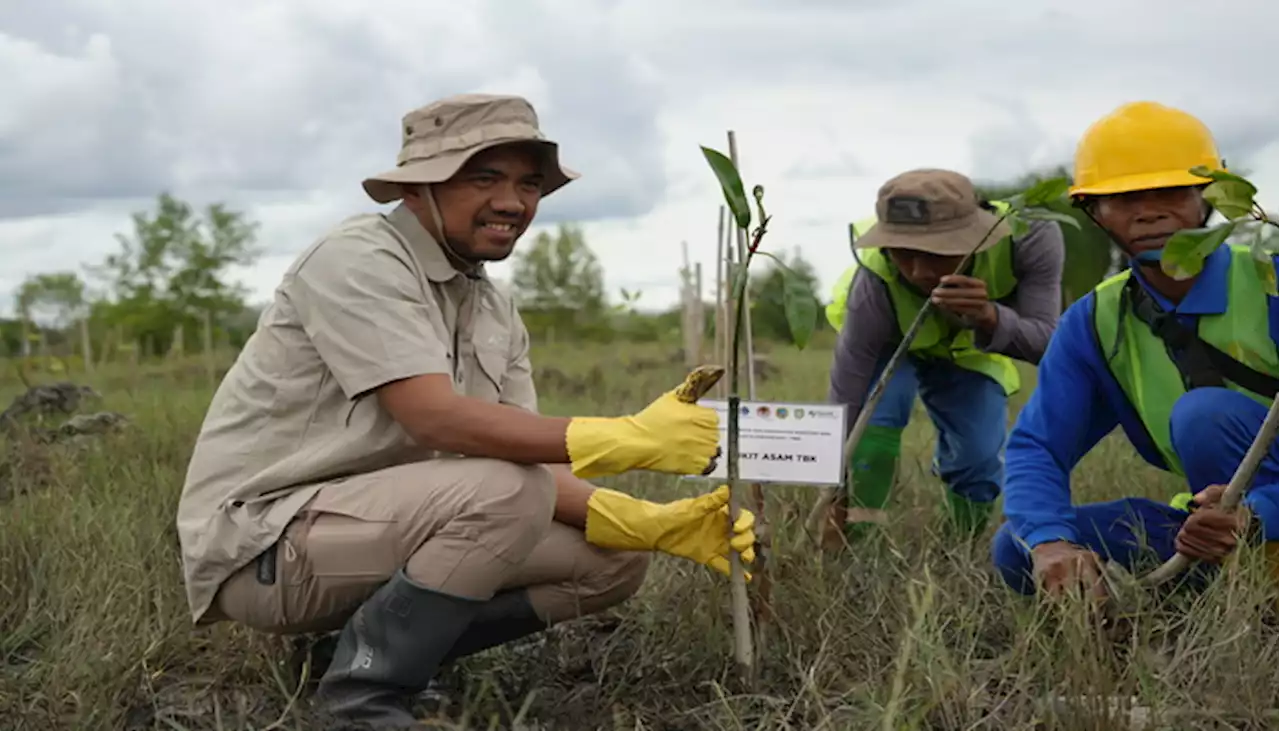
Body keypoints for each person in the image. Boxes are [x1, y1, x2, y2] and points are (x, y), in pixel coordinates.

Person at [174, 93, 756, 729]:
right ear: (420, 187)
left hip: (373, 527)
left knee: (612, 558)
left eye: (529, 184)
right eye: (485, 177)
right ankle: (364, 702)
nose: (513, 202)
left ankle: (342, 659)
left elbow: (523, 456)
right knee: (505, 491)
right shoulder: (358, 259)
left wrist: (647, 520)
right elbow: (435, 419)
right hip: (266, 544)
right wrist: (625, 438)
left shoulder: (493, 308)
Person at [990, 100, 1280, 601]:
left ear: (1207, 196)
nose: (1148, 211)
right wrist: (1051, 544)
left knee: (1205, 416)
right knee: (1018, 550)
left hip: (1262, 514)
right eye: (1124, 198)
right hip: (1213, 531)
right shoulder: (1095, 322)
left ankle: (1255, 582)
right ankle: (1230, 579)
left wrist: (1261, 514)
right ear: (1093, 212)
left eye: (1169, 190)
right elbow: (1038, 446)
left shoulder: (1268, 278)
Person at [817, 169, 1065, 547]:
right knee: (872, 428)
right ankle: (861, 546)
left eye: (935, 254)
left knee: (978, 456)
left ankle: (960, 546)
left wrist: (989, 317)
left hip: (969, 346)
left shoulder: (1029, 240)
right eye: (903, 253)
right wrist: (833, 492)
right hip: (890, 342)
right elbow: (847, 395)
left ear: (972, 238)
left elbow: (1048, 343)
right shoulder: (874, 282)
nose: (918, 271)